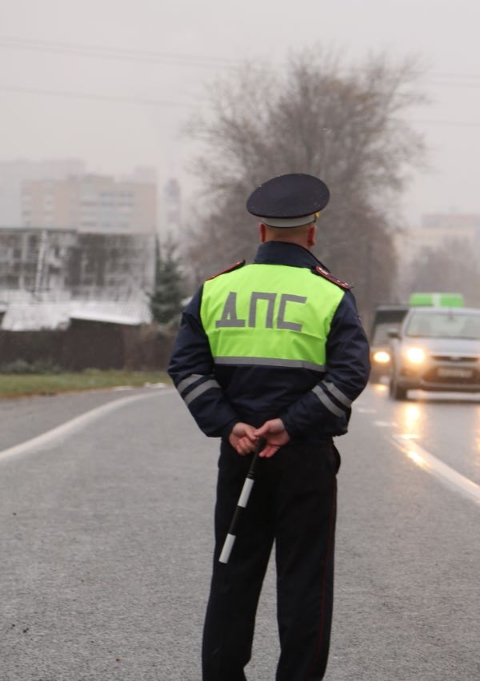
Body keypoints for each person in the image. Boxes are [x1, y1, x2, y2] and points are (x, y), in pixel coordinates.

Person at [167, 173, 370, 680]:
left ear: (261, 233)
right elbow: (351, 373)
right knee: (305, 584)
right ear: (312, 233)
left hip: (239, 454)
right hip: (303, 457)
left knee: (232, 574)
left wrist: (230, 424)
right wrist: (292, 424)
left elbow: (187, 368)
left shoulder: (217, 289)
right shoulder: (329, 294)